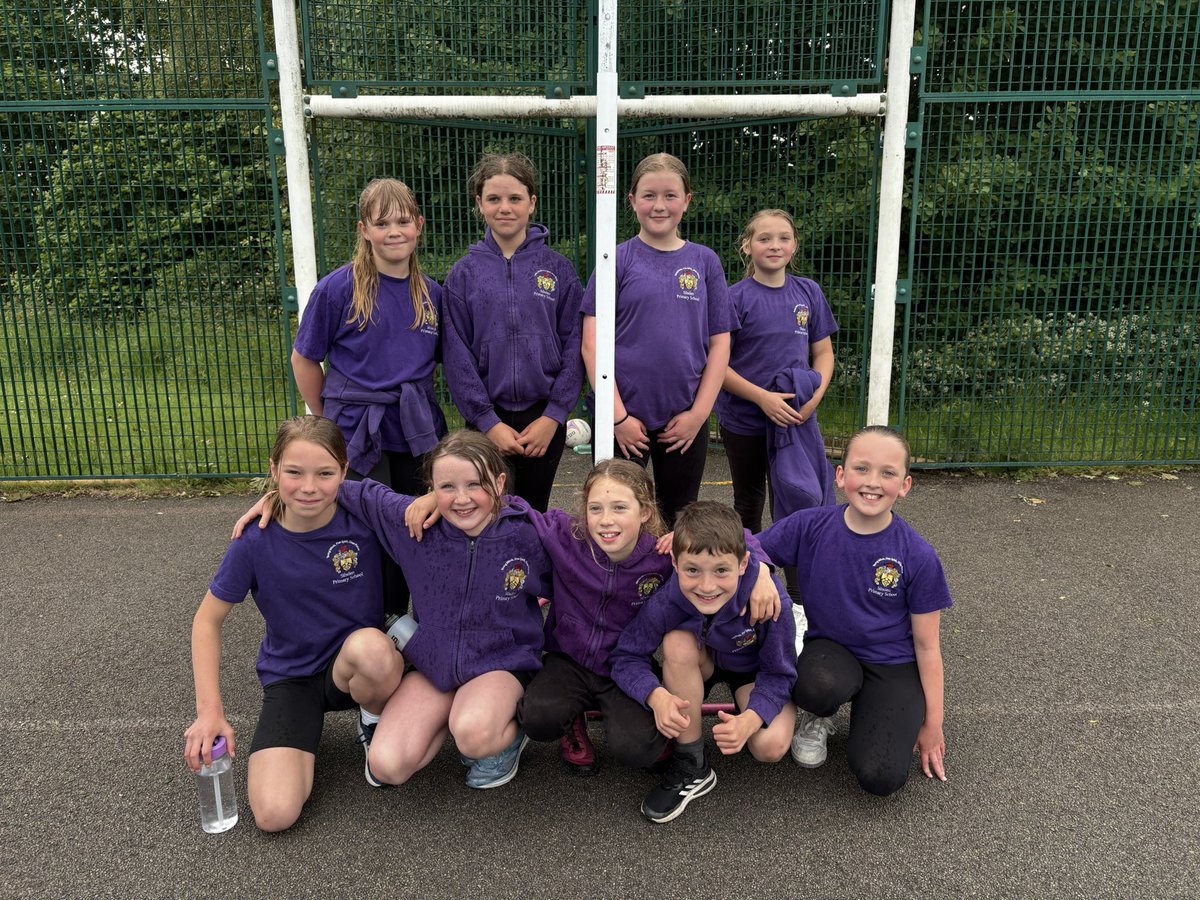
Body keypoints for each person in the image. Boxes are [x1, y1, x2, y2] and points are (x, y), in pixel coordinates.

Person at [404, 458, 782, 778]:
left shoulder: (663, 555)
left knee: (640, 750)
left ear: (645, 512)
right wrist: (438, 496)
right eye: (596, 508)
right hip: (565, 659)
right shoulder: (565, 537)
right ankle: (573, 722)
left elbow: (730, 535)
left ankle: (641, 728)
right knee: (538, 717)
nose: (606, 520)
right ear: (583, 511)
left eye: (620, 508)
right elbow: (510, 502)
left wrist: (762, 568)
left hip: (624, 665)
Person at [184, 416, 403, 832]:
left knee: (373, 648)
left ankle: (373, 718)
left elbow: (437, 512)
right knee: (273, 816)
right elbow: (206, 622)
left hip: (353, 667)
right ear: (273, 470)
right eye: (293, 473)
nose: (308, 487)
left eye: (324, 473)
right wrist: (209, 711)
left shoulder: (367, 519)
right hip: (293, 678)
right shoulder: (254, 541)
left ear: (344, 470)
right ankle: (302, 738)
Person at [757, 425, 952, 796]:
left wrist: (933, 723)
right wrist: (761, 576)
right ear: (841, 476)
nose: (873, 482)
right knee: (814, 686)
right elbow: (749, 549)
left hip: (892, 664)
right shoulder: (810, 525)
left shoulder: (919, 556)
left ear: (905, 486)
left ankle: (877, 708)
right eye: (862, 469)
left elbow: (928, 647)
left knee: (881, 778)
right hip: (832, 652)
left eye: (888, 473)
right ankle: (820, 715)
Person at [290, 178, 446, 617]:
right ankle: (361, 624)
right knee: (363, 529)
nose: (393, 231)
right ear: (364, 230)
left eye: (402, 221)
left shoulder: (432, 295)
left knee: (419, 524)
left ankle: (408, 622)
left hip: (416, 429)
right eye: (382, 223)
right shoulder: (337, 290)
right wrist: (327, 424)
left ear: (419, 225)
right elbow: (304, 360)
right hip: (356, 429)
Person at [610, 501, 797, 824]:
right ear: (675, 562)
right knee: (676, 643)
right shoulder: (670, 599)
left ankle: (780, 715)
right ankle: (692, 760)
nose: (707, 587)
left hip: (751, 669)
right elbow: (626, 656)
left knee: (771, 746)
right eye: (692, 570)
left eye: (721, 571)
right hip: (703, 658)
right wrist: (656, 696)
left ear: (743, 564)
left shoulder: (770, 600)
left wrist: (751, 719)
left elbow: (779, 672)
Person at [581, 152, 731, 528]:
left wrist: (698, 415)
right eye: (648, 195)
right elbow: (591, 344)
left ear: (687, 200)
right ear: (631, 201)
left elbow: (720, 345)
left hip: (684, 421)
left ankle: (671, 588)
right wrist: (618, 418)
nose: (659, 205)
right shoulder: (614, 260)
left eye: (670, 195)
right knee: (616, 520)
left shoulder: (705, 262)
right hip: (624, 419)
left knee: (679, 522)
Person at [442, 152, 585, 512]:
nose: (504, 208)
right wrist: (488, 423)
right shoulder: (464, 274)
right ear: (479, 204)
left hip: (543, 421)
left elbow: (575, 346)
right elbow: (456, 355)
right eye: (494, 199)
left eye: (515, 198)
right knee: (484, 514)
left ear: (532, 203)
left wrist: (554, 415)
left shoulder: (558, 269)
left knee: (533, 515)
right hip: (487, 420)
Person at [717, 208, 838, 534]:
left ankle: (798, 586)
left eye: (784, 238)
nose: (774, 245)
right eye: (764, 238)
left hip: (795, 418)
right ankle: (752, 578)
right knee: (748, 503)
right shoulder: (733, 298)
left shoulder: (808, 292)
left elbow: (824, 353)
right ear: (747, 245)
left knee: (799, 502)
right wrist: (762, 398)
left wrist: (813, 399)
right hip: (745, 421)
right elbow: (717, 366)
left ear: (794, 246)